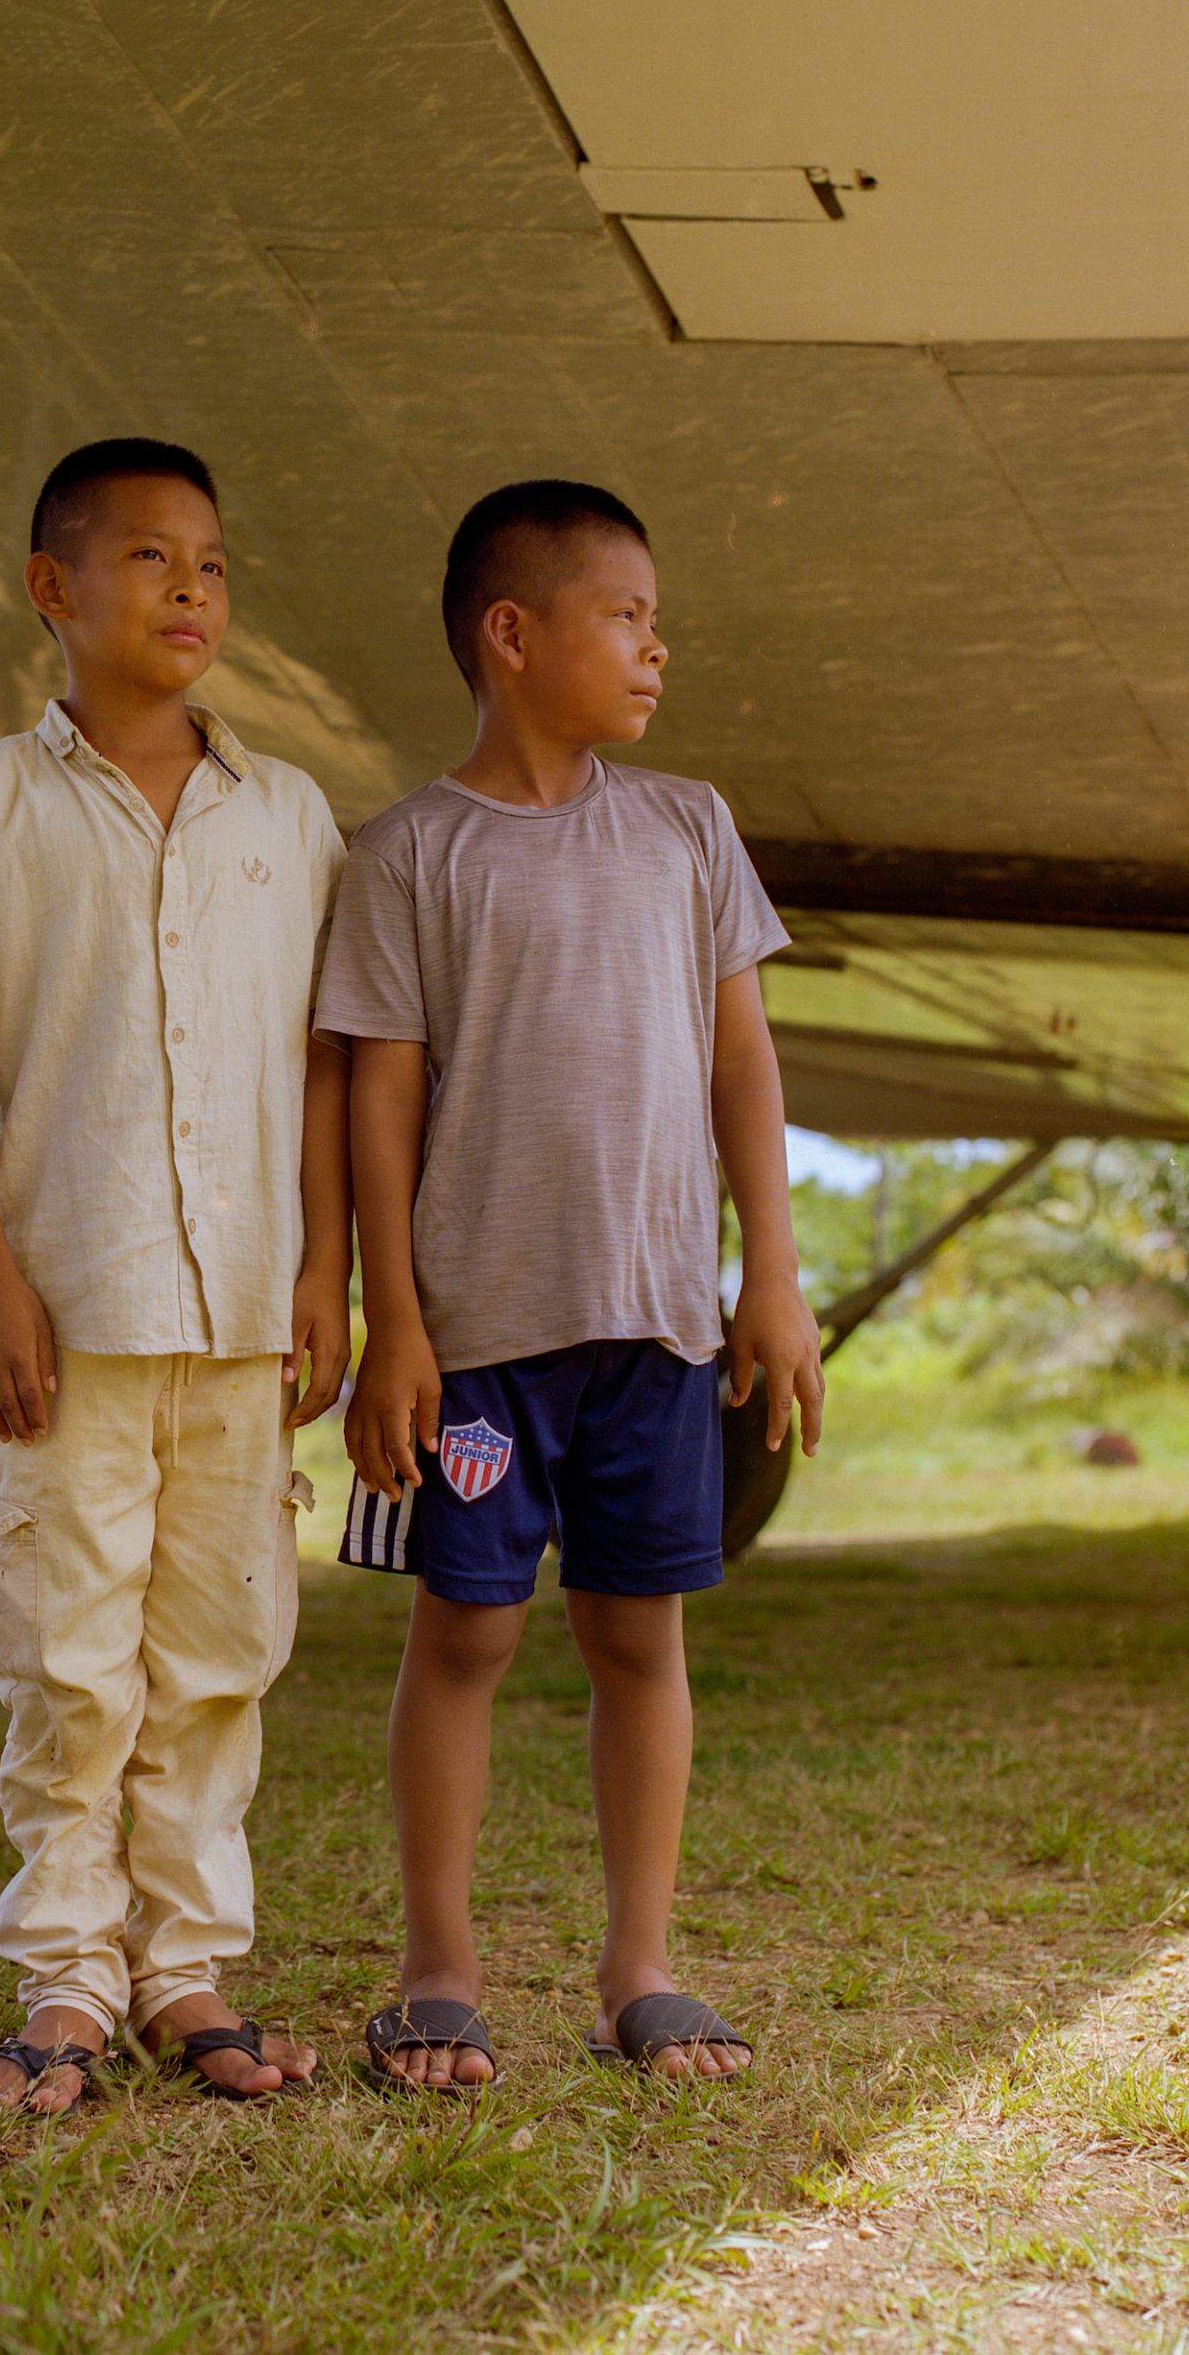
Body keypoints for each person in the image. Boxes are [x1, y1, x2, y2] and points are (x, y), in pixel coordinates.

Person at [316, 478, 823, 2089]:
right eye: (627, 615)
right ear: (512, 634)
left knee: (638, 1636)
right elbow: (377, 1101)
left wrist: (774, 1278)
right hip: (479, 1339)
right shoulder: (405, 852)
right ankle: (440, 1969)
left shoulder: (688, 825)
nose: (657, 647)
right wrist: (391, 1325)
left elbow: (744, 1060)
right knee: (463, 1640)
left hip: (661, 1324)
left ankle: (639, 1969)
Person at [0, 438, 352, 2112]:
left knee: (220, 1647)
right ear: (52, 589)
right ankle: (68, 1974)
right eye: (150, 558)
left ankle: (190, 1971)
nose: (189, 591)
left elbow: (316, 1063)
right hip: (64, 1309)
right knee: (70, 1653)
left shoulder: (288, 818)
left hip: (241, 1306)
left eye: (212, 565)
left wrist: (328, 1275)